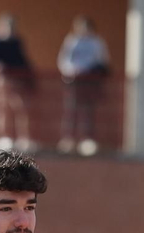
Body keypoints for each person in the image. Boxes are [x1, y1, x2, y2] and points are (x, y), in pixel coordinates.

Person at [56, 16, 108, 155]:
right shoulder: (72, 42)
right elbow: (63, 60)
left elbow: (102, 60)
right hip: (74, 82)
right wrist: (72, 71)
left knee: (88, 110)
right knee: (71, 109)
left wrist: (89, 70)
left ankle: (87, 140)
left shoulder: (96, 43)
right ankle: (68, 139)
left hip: (90, 82)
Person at [0, 14, 32, 151]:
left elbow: (23, 60)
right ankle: (4, 137)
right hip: (2, 80)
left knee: (21, 108)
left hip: (18, 81)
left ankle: (23, 138)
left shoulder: (17, 42)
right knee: (3, 108)